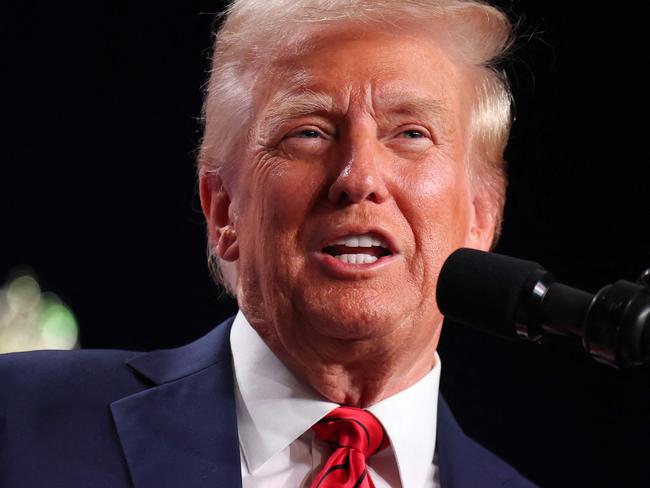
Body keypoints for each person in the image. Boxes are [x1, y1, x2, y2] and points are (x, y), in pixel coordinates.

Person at [0, 1, 536, 486]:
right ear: (223, 210)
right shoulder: (20, 420)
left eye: (411, 133)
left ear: (480, 216)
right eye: (308, 132)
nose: (359, 176)